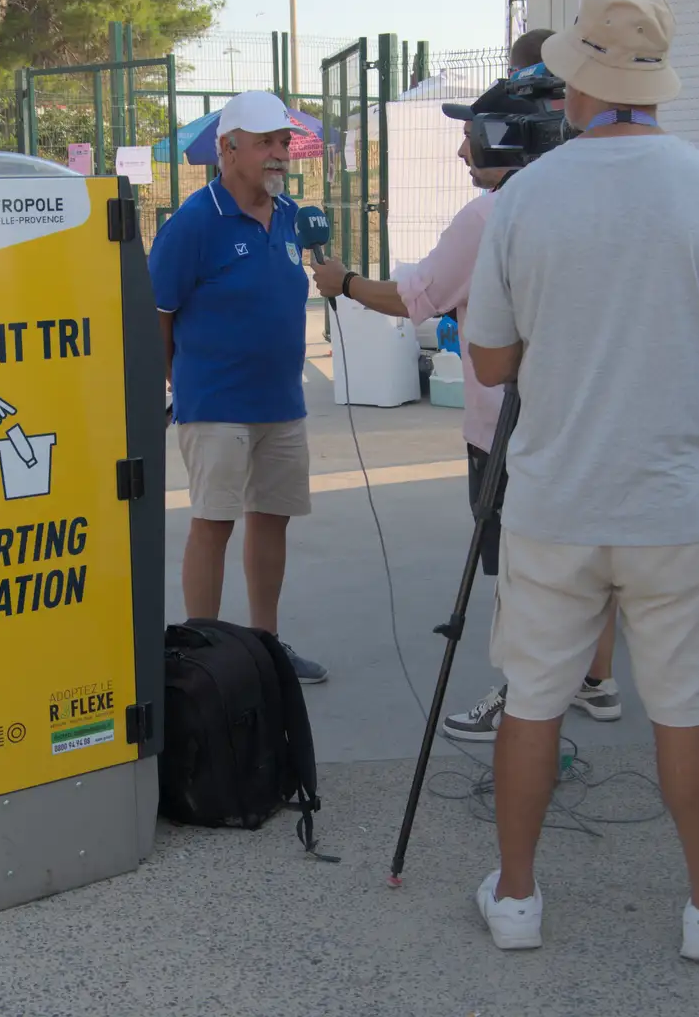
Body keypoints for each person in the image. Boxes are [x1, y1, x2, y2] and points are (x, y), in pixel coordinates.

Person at [463, 0, 699, 960]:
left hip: (557, 500)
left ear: (573, 85)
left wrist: (563, 344)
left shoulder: (526, 197)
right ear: (654, 86)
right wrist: (694, 352)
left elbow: (487, 359)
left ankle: (517, 901)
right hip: (679, 507)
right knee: (684, 708)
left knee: (531, 701)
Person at [306, 38, 622, 741]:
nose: (461, 154)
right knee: (582, 560)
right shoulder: (593, 199)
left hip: (510, 430)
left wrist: (347, 284)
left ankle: (523, 694)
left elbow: (417, 297)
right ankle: (594, 680)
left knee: (521, 570)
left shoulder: (489, 218)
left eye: (472, 138)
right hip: (587, 424)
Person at [148, 90, 328, 684]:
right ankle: (203, 657)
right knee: (214, 522)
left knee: (270, 518)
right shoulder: (193, 223)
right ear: (228, 150)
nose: (280, 155)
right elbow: (158, 315)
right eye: (266, 144)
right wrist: (174, 384)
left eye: (284, 143)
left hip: (282, 402)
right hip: (215, 404)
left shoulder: (292, 216)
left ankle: (266, 645)